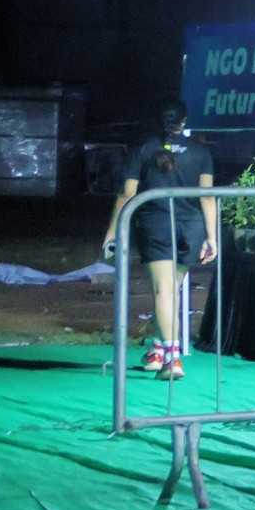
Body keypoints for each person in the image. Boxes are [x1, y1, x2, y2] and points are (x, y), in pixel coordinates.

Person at [103, 101, 216, 379]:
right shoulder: (201, 151)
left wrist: (112, 231)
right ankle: (156, 351)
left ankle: (172, 358)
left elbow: (126, 194)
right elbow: (207, 196)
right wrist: (212, 237)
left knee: (163, 291)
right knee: (169, 291)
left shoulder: (143, 148)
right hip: (191, 228)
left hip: (156, 225)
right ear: (184, 121)